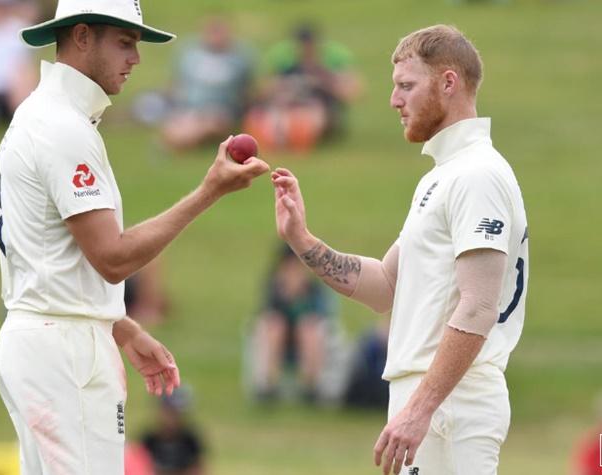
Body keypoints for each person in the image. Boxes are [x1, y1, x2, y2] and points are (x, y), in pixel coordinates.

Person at [0, 1, 270, 474]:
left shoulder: (41, 116)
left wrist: (118, 325)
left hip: (45, 339)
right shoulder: (63, 128)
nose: (136, 59)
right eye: (124, 43)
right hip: (66, 352)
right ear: (81, 37)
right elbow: (112, 258)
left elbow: (47, 257)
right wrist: (210, 191)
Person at [271, 24, 529, 474]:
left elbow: (478, 306)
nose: (394, 100)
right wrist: (302, 239)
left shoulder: (477, 175)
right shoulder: (442, 176)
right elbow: (386, 285)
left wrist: (421, 408)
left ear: (449, 83)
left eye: (406, 86)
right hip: (433, 399)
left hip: (452, 403)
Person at [244, 23, 362, 152]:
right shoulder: (285, 62)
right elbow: (261, 91)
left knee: (308, 117)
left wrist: (325, 82)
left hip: (320, 107)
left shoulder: (331, 60)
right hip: (290, 106)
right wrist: (281, 85)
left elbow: (353, 92)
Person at [249, 244, 339, 403]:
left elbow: (323, 315)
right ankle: (268, 385)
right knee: (274, 326)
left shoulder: (314, 290)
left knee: (308, 327)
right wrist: (286, 298)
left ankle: (311, 386)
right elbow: (266, 313)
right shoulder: (274, 288)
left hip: (308, 338)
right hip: (281, 339)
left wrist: (300, 299)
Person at [160, 16, 255, 150]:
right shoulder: (189, 54)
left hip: (221, 112)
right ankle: (183, 139)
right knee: (178, 125)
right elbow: (175, 84)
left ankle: (186, 141)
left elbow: (248, 91)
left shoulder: (239, 58)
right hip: (189, 109)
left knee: (207, 125)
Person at [140, 386, 206, 475]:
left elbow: (198, 469)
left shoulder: (190, 441)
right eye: (170, 411)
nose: (173, 417)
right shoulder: (149, 440)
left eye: (176, 412)